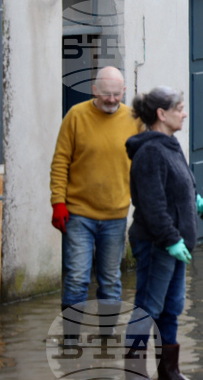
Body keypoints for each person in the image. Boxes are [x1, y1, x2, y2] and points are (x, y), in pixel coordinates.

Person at [125, 86, 203, 380]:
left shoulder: (171, 144)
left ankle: (169, 373)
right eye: (179, 108)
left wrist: (199, 203)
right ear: (161, 114)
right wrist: (171, 239)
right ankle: (135, 373)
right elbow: (152, 205)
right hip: (158, 244)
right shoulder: (150, 152)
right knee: (148, 307)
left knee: (172, 308)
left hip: (177, 244)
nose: (185, 113)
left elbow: (180, 188)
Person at [50, 67, 140, 315]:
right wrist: (58, 201)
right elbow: (60, 162)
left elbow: (146, 163)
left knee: (111, 281)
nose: (111, 100)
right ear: (94, 91)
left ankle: (105, 345)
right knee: (77, 278)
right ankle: (71, 343)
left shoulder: (134, 119)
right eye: (106, 95)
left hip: (116, 215)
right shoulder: (76, 116)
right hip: (78, 214)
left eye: (116, 94)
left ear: (123, 91)